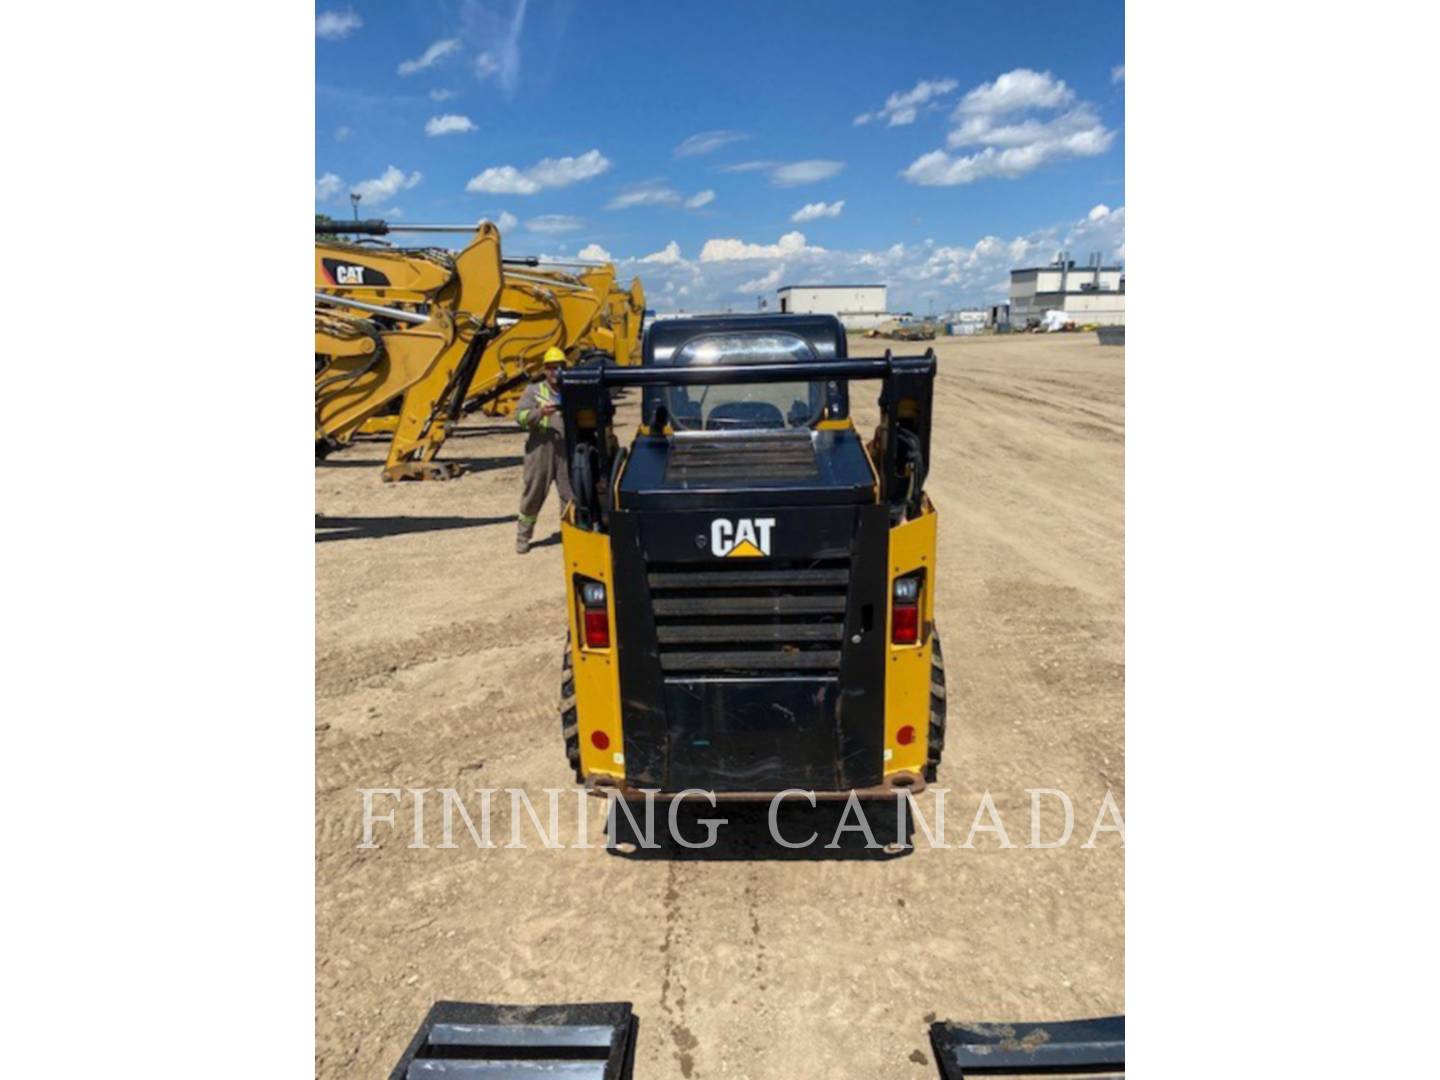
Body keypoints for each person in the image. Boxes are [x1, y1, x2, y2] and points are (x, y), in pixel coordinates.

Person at [514, 347, 574, 554]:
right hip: (540, 449)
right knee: (534, 493)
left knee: (570, 495)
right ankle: (523, 536)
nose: (554, 372)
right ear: (545, 370)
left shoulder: (572, 390)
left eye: (558, 367)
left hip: (566, 449)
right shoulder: (534, 391)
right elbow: (519, 417)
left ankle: (571, 535)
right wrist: (539, 412)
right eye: (550, 368)